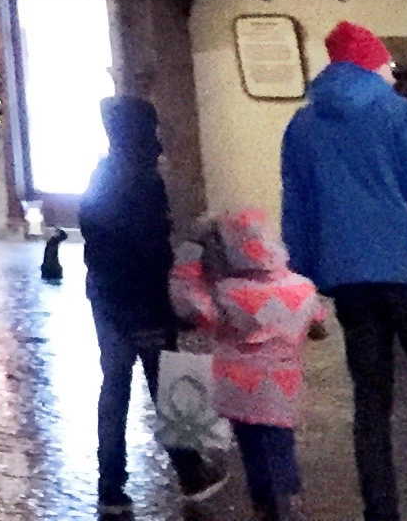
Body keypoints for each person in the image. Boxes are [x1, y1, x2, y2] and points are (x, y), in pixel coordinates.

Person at [280, 21, 407, 521]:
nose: (391, 72)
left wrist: (305, 274)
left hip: (348, 279)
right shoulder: (399, 115)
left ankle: (379, 511)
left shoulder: (302, 124)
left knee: (370, 400)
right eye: (386, 64)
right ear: (372, 64)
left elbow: (296, 205)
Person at [79, 95, 214, 515]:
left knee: (116, 387)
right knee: (168, 379)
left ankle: (111, 486)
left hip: (107, 295)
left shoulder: (102, 174)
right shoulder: (141, 180)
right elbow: (148, 244)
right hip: (141, 296)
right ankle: (192, 473)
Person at [172, 208, 328, 521]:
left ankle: (266, 508)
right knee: (281, 446)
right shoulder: (302, 288)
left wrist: (186, 265)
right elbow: (318, 328)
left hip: (238, 389)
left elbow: (193, 309)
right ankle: (287, 504)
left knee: (253, 450)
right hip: (282, 391)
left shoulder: (227, 292)